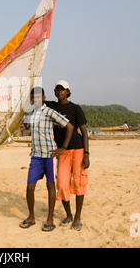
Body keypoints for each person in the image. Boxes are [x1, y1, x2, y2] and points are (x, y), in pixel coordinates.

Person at [20, 87, 74, 232]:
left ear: (43, 98)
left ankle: (50, 219)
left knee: (50, 186)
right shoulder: (31, 113)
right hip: (36, 156)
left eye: (38, 97)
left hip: (49, 156)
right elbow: (26, 126)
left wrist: (63, 147)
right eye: (33, 98)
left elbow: (69, 126)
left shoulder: (49, 112)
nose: (36, 100)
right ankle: (31, 217)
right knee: (30, 187)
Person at [46, 80, 90, 231]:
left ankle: (77, 217)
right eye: (57, 89)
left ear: (68, 92)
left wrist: (86, 154)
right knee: (62, 185)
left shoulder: (75, 109)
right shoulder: (51, 106)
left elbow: (84, 132)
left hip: (77, 149)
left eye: (62, 89)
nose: (60, 92)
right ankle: (69, 215)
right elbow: (35, 99)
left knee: (78, 184)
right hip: (62, 152)